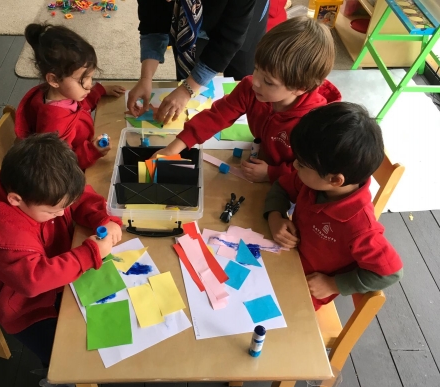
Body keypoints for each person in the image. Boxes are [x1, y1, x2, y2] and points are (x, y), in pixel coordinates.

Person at [0, 134, 123, 387]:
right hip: (25, 309)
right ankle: (56, 379)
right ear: (15, 199)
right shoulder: (3, 236)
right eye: (53, 211)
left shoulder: (38, 188)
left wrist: (103, 218)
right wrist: (89, 254)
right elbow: (34, 280)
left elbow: (77, 198)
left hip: (58, 280)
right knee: (72, 357)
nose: (62, 213)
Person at [156, 16, 341, 184]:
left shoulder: (316, 124)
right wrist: (174, 148)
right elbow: (216, 116)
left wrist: (272, 173)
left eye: (268, 81)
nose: (256, 82)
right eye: (256, 68)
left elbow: (312, 172)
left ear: (301, 88)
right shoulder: (250, 87)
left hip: (291, 177)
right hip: (261, 153)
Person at [263, 102, 403, 310]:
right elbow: (282, 187)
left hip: (303, 290)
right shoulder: (315, 181)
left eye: (302, 164)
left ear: (335, 180)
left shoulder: (360, 228)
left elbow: (390, 273)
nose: (294, 165)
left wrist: (333, 284)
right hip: (283, 257)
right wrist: (275, 216)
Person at [127, 0, 270, 123]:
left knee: (244, 82)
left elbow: (229, 40)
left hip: (243, 16)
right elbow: (152, 24)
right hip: (185, 17)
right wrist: (146, 78)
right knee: (187, 86)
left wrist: (186, 90)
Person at [15, 23, 126, 170]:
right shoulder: (54, 127)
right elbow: (62, 166)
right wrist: (91, 151)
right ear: (54, 80)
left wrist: (100, 90)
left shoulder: (63, 94)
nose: (89, 85)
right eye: (82, 80)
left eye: (90, 77)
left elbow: (81, 106)